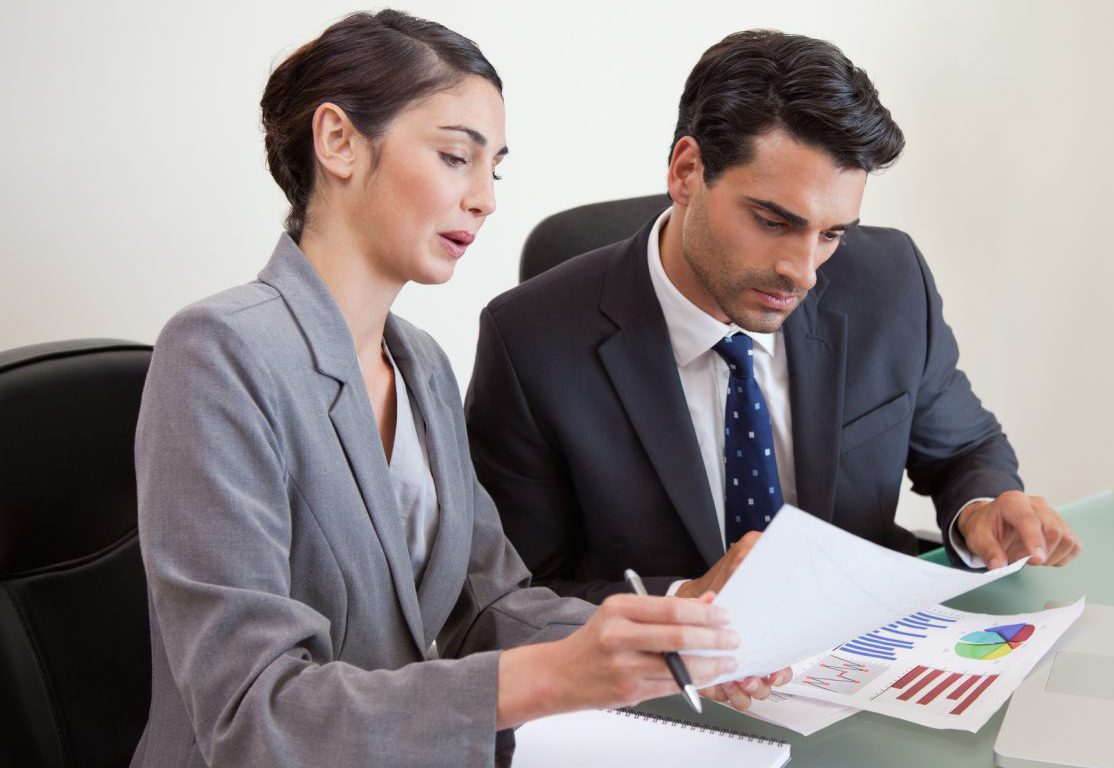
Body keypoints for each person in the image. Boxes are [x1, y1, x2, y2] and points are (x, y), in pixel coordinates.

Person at [131, 12, 784, 768]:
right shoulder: (218, 352)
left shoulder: (422, 363)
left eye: (493, 169)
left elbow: (491, 606)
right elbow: (250, 715)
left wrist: (671, 634)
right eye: (454, 157)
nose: (484, 199)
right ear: (338, 140)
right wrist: (542, 678)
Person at [465, 30, 1082, 606]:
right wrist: (687, 601)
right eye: (773, 221)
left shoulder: (889, 283)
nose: (804, 271)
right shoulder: (530, 343)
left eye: (832, 233)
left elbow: (963, 449)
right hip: (669, 694)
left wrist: (980, 509)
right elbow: (516, 598)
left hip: (862, 655)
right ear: (686, 172)